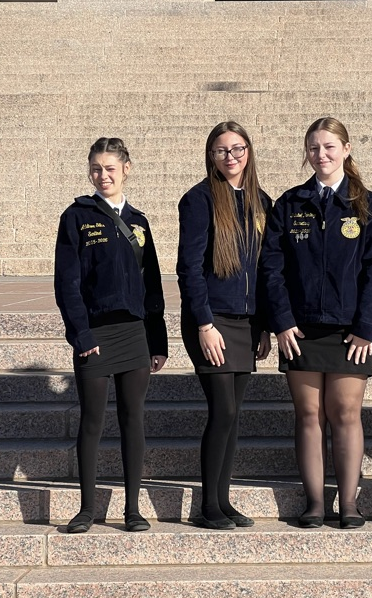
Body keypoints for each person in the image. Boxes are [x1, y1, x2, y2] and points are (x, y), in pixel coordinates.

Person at [260, 117, 372, 529]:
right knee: (309, 414)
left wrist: (367, 326)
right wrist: (280, 321)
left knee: (346, 412)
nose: (322, 155)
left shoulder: (367, 204)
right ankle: (315, 502)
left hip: (351, 330)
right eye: (314, 148)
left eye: (330, 147)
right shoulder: (290, 204)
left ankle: (348, 502)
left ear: (346, 150)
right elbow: (272, 269)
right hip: (300, 329)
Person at [54, 137, 168, 534]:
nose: (103, 175)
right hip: (96, 335)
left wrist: (158, 340)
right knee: (92, 421)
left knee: (133, 419)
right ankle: (87, 508)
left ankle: (132, 509)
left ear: (126, 168)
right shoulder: (77, 216)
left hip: (135, 334)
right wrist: (80, 335)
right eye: (96, 169)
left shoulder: (139, 221)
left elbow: (152, 286)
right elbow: (67, 283)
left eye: (110, 168)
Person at [177, 121, 271, 530]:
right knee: (223, 409)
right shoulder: (198, 200)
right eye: (221, 151)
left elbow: (266, 271)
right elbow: (189, 269)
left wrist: (265, 325)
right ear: (210, 156)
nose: (230, 157)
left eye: (237, 149)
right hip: (211, 322)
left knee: (233, 415)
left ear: (248, 151)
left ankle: (224, 499)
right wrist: (203, 323)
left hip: (246, 322)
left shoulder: (261, 200)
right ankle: (207, 506)